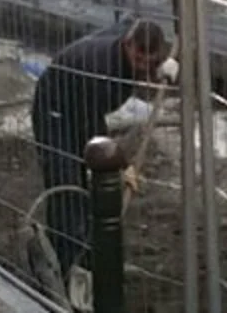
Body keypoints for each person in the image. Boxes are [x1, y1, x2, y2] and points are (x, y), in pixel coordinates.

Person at [30, 17, 177, 284]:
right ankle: (65, 267)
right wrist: (121, 165)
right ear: (127, 45)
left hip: (79, 104)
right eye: (140, 60)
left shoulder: (133, 39)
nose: (143, 66)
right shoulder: (102, 73)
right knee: (67, 184)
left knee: (84, 189)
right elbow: (95, 134)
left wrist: (162, 70)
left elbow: (133, 21)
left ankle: (86, 257)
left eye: (150, 61)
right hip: (54, 109)